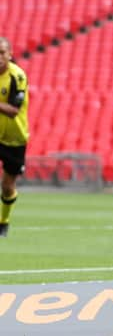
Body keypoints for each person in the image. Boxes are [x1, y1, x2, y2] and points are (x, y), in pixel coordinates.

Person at [0, 37, 29, 238]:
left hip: (14, 138)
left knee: (7, 187)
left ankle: (4, 221)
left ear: (10, 54)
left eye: (2, 52)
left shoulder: (17, 76)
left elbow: (13, 110)